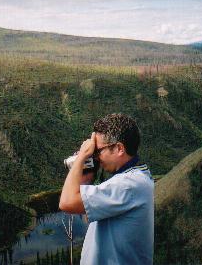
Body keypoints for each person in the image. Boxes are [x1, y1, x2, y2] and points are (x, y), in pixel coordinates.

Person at [59, 113, 154, 265]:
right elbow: (88, 214)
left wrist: (82, 157)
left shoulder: (128, 185)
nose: (95, 157)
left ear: (119, 148)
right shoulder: (135, 177)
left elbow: (66, 203)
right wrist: (87, 176)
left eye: (98, 151)